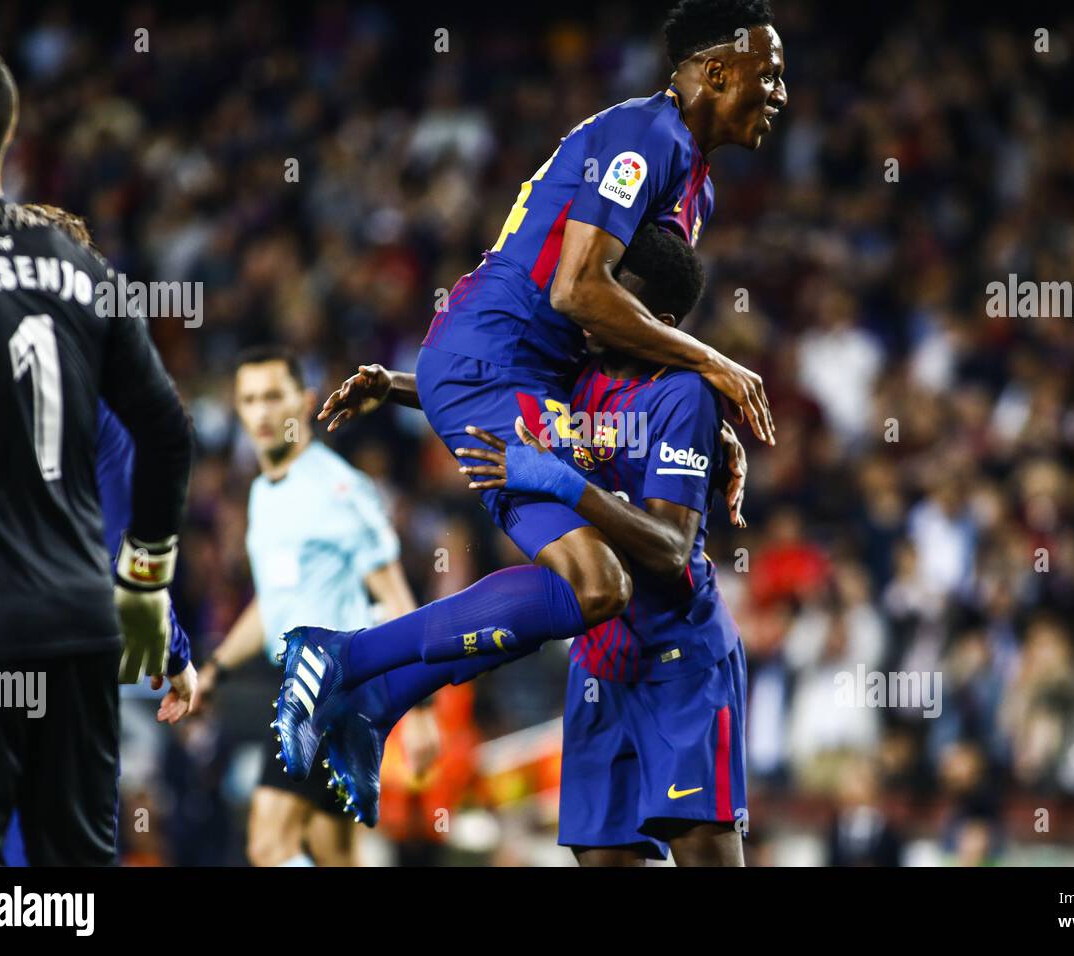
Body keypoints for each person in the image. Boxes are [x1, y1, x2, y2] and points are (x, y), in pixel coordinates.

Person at [276, 0, 782, 784]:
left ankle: (376, 704)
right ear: (717, 70)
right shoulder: (647, 134)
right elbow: (581, 292)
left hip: (523, 378)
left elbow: (626, 329)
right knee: (596, 583)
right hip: (498, 363)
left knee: (602, 582)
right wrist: (713, 364)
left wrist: (701, 415)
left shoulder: (695, 188)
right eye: (768, 72)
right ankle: (342, 657)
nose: (779, 92)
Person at [284, 224, 748, 865]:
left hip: (680, 664)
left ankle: (359, 677)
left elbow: (670, 549)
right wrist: (395, 385)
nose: (590, 304)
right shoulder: (579, 368)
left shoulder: (684, 398)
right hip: (600, 664)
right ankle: (370, 694)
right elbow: (506, 404)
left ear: (659, 322)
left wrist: (563, 482)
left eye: (616, 297)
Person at [0, 36, 193, 865]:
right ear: (4, 138)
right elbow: (166, 427)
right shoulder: (77, 263)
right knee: (71, 889)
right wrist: (148, 592)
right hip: (84, 628)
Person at [195, 345, 435, 866]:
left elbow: (393, 595)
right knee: (333, 854)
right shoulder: (262, 493)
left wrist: (420, 711)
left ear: (303, 402)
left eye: (273, 397)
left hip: (331, 686)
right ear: (237, 409)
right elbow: (274, 603)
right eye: (250, 400)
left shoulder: (338, 488)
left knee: (269, 844)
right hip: (304, 686)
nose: (262, 413)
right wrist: (215, 668)